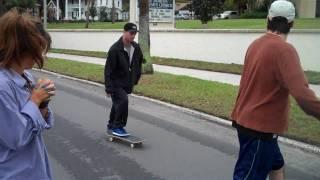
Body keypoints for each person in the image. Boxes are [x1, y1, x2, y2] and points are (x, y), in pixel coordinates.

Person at [231, 0, 320, 179]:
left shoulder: (255, 44)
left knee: (276, 165)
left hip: (245, 120)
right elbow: (303, 96)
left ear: (268, 19)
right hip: (260, 130)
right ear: (292, 23)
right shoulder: (284, 50)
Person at [0, 9, 56, 179]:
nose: (42, 56)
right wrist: (35, 99)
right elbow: (15, 138)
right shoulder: (2, 87)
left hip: (34, 170)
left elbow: (39, 126)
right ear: (21, 48)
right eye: (39, 48)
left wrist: (43, 102)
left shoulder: (27, 77)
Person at [104, 22, 144, 137]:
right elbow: (108, 70)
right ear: (124, 32)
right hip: (115, 82)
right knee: (123, 101)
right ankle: (118, 126)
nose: (133, 36)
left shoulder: (135, 47)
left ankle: (111, 125)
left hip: (127, 82)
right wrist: (108, 87)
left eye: (135, 33)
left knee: (117, 103)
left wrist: (136, 77)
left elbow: (139, 62)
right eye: (131, 33)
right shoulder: (115, 49)